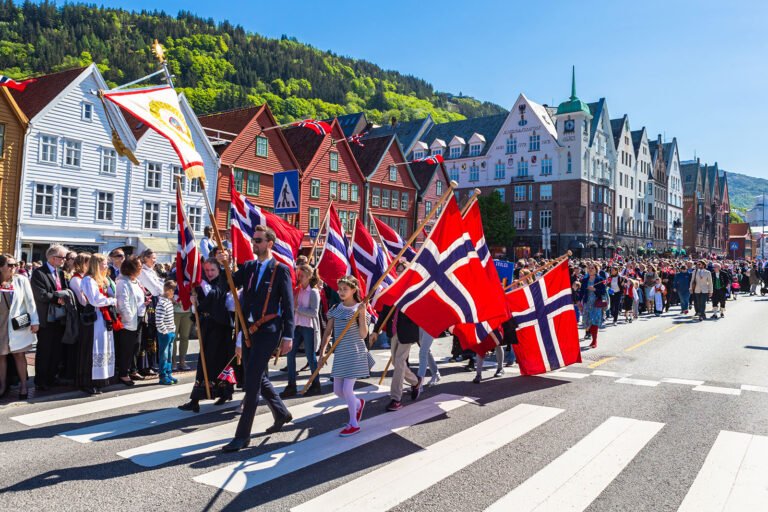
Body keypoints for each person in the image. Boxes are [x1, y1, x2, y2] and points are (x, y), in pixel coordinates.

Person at [216, 225, 294, 452]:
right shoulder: (248, 267)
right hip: (249, 329)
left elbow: (288, 305)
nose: (254, 244)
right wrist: (224, 266)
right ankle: (281, 412)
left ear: (270, 243)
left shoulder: (281, 270)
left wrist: (287, 336)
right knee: (256, 376)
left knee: (251, 384)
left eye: (258, 240)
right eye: (254, 240)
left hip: (269, 330)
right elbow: (226, 285)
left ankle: (242, 436)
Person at [178, 258, 236, 412]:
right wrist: (194, 303)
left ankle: (224, 392)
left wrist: (200, 304)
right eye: (207, 270)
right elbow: (199, 311)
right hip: (206, 329)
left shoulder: (223, 283)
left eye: (213, 270)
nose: (209, 273)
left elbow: (217, 299)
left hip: (221, 329)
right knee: (204, 362)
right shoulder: (199, 286)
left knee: (220, 362)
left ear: (218, 270)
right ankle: (196, 399)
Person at [319, 275, 370, 436]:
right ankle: (357, 403)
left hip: (355, 352)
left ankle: (353, 424)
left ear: (353, 290)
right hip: (340, 353)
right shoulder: (336, 308)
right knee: (338, 391)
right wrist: (322, 353)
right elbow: (328, 332)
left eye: (345, 289)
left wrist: (362, 314)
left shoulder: (359, 309)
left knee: (347, 389)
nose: (341, 291)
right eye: (340, 288)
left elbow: (363, 334)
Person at [0, 254, 39, 400]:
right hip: (0, 324)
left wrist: (35, 321)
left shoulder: (21, 280)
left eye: (15, 264)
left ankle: (23, 385)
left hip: (17, 323)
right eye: (9, 265)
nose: (13, 267)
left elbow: (30, 301)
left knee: (19, 354)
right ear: (1, 266)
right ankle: (2, 386)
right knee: (1, 356)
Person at [30, 244, 69, 391]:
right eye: (62, 257)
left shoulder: (60, 273)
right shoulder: (39, 273)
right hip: (46, 317)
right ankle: (41, 380)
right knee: (45, 350)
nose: (64, 260)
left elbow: (64, 289)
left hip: (60, 317)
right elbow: (40, 294)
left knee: (56, 350)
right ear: (53, 258)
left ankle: (52, 377)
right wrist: (57, 299)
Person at [372, 302, 422, 412]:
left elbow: (418, 314)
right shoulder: (392, 295)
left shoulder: (411, 296)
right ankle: (415, 382)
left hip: (407, 333)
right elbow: (384, 314)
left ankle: (396, 399)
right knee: (396, 363)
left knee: (399, 362)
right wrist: (376, 331)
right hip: (393, 332)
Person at [78, 254, 117, 395]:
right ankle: (88, 382)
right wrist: (112, 301)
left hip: (103, 316)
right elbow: (95, 300)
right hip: (94, 317)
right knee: (93, 349)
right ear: (96, 265)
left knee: (103, 347)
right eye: (104, 264)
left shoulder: (102, 280)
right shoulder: (88, 280)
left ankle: (101, 380)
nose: (106, 266)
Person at [281, 264, 321, 398]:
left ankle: (316, 384)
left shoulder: (314, 292)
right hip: (297, 326)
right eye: (299, 275)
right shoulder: (297, 290)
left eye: (302, 276)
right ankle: (291, 385)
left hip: (308, 327)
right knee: (290, 354)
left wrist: (298, 309)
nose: (300, 278)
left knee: (310, 356)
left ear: (309, 277)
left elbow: (314, 313)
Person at [115, 256, 145, 387]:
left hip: (138, 317)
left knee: (135, 346)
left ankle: (133, 370)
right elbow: (123, 303)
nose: (141, 268)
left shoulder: (135, 281)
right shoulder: (122, 282)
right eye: (139, 266)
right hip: (128, 321)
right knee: (126, 348)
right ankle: (123, 373)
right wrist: (128, 318)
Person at [137, 249, 163, 375]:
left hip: (155, 302)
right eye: (152, 257)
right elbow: (155, 288)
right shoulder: (142, 271)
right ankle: (145, 365)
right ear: (145, 258)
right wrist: (162, 289)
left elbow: (160, 286)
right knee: (148, 334)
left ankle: (152, 364)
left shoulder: (152, 271)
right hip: (148, 303)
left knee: (153, 335)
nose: (155, 260)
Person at [578, 263, 606, 349]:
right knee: (586, 321)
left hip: (596, 303)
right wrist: (579, 301)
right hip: (587, 303)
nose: (590, 269)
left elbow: (603, 291)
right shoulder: (585, 280)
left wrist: (595, 289)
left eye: (592, 268)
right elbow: (581, 291)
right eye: (589, 268)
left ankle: (594, 340)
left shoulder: (600, 279)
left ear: (596, 270)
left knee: (594, 321)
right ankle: (589, 334)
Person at [155, 280, 178, 385]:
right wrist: (164, 331)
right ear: (168, 291)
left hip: (171, 331)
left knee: (169, 354)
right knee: (163, 355)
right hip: (165, 333)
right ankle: (163, 376)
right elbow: (159, 320)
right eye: (173, 291)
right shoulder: (162, 303)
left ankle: (169, 373)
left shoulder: (168, 301)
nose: (174, 293)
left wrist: (172, 329)